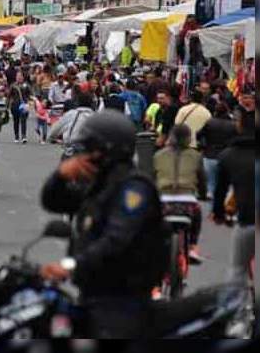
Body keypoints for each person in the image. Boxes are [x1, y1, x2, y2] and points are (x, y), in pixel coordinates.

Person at [39, 110, 167, 338]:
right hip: (95, 294)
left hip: (123, 299)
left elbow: (116, 238)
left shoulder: (133, 188)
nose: (84, 154)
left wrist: (70, 266)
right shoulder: (100, 184)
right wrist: (60, 176)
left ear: (107, 151)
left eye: (90, 149)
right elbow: (54, 202)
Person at [212, 107, 255, 284]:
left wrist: (219, 214)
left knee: (237, 271)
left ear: (240, 126)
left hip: (247, 219)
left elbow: (220, 191)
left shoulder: (228, 156)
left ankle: (235, 309)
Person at [153, 124, 207, 263]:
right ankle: (192, 246)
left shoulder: (158, 155)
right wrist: (203, 193)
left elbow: (151, 178)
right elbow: (202, 180)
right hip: (187, 201)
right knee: (197, 215)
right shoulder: (196, 156)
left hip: (163, 201)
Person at [197, 103, 236, 199]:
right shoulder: (232, 125)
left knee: (210, 180)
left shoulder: (210, 122)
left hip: (209, 155)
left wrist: (203, 144)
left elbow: (198, 135)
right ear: (227, 111)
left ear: (215, 111)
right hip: (226, 156)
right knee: (224, 180)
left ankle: (210, 194)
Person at [48, 90, 95, 159]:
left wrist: (52, 138)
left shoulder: (70, 114)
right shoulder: (96, 117)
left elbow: (53, 132)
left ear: (77, 103)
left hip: (71, 152)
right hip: (88, 155)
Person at [8, 73, 31, 143]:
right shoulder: (13, 86)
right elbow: (9, 95)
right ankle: (16, 136)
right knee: (16, 121)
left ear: (23, 78)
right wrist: (7, 106)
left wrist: (29, 102)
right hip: (15, 105)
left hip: (24, 105)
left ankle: (24, 136)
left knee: (23, 120)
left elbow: (30, 94)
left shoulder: (26, 85)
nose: (19, 78)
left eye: (20, 77)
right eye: (18, 76)